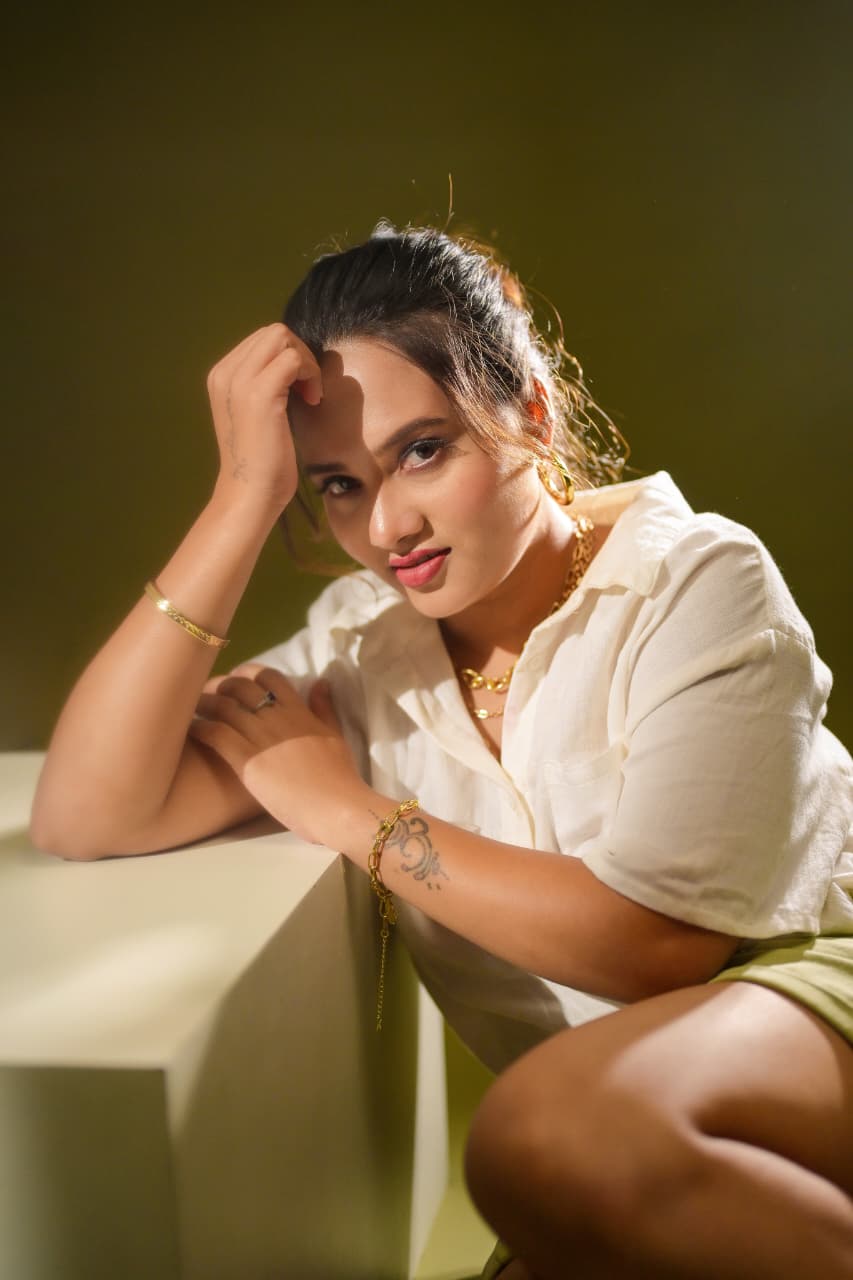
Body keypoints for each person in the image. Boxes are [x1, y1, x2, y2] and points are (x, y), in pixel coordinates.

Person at [30, 221, 853, 1279]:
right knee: (558, 1152)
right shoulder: (358, 646)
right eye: (336, 484)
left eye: (421, 450)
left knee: (544, 1139)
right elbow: (88, 810)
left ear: (532, 413)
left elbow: (651, 945)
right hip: (605, 1141)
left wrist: (341, 806)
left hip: (796, 1002)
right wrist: (240, 495)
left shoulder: (691, 579)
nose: (387, 528)